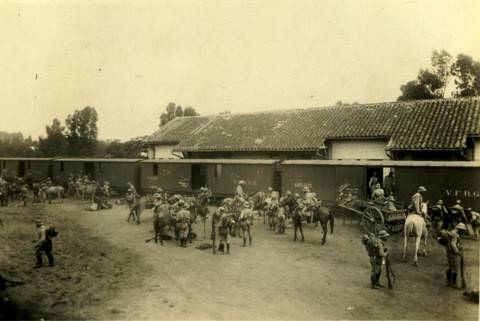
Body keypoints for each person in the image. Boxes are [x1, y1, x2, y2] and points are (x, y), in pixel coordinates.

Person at [445, 223, 467, 288]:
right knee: (455, 267)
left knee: (450, 265)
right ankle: (453, 284)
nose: (463, 231)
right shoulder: (455, 234)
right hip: (452, 252)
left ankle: (449, 282)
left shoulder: (454, 232)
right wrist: (458, 253)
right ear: (459, 229)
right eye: (462, 229)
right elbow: (453, 244)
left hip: (449, 251)